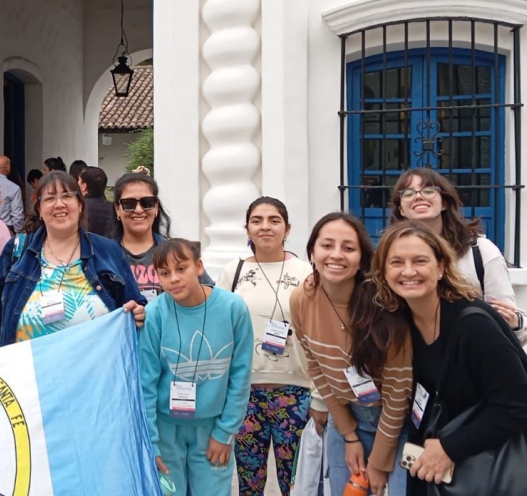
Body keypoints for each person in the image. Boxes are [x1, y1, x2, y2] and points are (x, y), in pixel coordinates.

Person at [372, 221, 527, 495]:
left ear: (441, 267)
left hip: (502, 463)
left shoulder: (474, 325)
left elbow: (516, 405)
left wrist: (449, 448)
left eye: (420, 260)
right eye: (396, 262)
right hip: (449, 451)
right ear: (384, 272)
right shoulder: (401, 322)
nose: (408, 271)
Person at [290, 212, 412, 496]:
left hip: (399, 424)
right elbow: (317, 370)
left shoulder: (386, 304)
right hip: (346, 417)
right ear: (312, 252)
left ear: (361, 259)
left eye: (348, 248)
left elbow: (399, 389)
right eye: (327, 245)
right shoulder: (301, 299)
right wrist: (348, 435)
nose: (336, 255)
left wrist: (380, 460)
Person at [217, 197, 317, 496]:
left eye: (274, 220)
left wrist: (319, 394)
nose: (265, 227)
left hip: (296, 393)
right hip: (245, 396)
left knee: (296, 484)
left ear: (287, 228)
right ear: (247, 228)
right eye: (257, 220)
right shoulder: (233, 272)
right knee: (249, 484)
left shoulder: (306, 272)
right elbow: (221, 330)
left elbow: (317, 333)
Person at [140, 239, 254, 496]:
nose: (174, 278)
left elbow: (240, 375)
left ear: (199, 266)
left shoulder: (233, 308)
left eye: (181, 269)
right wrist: (152, 443)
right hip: (166, 430)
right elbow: (146, 383)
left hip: (212, 428)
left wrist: (225, 432)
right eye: (165, 273)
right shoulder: (155, 314)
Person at [0, 171, 147, 347]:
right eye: (50, 198)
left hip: (95, 363)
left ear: (80, 205)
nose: (59, 204)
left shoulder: (108, 251)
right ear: (39, 209)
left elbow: (135, 304)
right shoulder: (17, 250)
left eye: (67, 196)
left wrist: (138, 312)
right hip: (29, 364)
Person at [389, 168, 527, 345]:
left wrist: (514, 323)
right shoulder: (390, 255)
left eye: (428, 190)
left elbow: (515, 326)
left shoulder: (480, 251)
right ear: (401, 209)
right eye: (408, 193)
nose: (418, 196)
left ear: (444, 202)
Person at [111, 171, 212, 301]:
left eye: (147, 203)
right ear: (117, 209)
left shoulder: (178, 252)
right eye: (129, 204)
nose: (138, 210)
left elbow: (209, 293)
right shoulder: (103, 256)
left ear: (156, 207)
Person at [0, 155, 25, 232]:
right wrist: (19, 233)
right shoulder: (14, 188)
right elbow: (17, 216)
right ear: (8, 167)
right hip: (5, 231)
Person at [78, 166, 115, 238]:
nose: (77, 183)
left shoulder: (80, 208)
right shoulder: (114, 208)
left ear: (84, 186)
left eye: (79, 180)